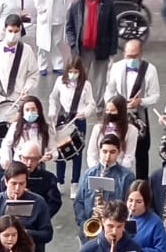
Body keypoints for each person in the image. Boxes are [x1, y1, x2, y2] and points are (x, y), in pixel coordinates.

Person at [69, 135, 133, 252]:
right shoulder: (88, 174)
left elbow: (129, 206)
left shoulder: (126, 177)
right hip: (90, 231)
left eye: (112, 152)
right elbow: (79, 202)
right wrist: (84, 224)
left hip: (114, 232)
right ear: (99, 151)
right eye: (104, 152)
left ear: (119, 152)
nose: (107, 156)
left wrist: (109, 210)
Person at [106, 39, 159, 179]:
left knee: (142, 152)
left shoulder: (150, 70)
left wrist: (141, 101)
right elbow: (109, 91)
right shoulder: (116, 67)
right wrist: (112, 105)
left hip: (139, 115)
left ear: (141, 54)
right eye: (129, 56)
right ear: (124, 54)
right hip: (119, 115)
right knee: (117, 148)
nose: (132, 59)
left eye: (135, 56)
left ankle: (142, 183)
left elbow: (155, 96)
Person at [0, 14, 39, 134]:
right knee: (0, 137)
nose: (13, 34)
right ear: (4, 29)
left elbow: (33, 74)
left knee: (19, 135)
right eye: (10, 31)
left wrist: (27, 87)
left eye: (16, 31)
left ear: (20, 30)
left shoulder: (27, 51)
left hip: (17, 100)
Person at [66, 0, 120, 93]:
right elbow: (69, 27)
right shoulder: (77, 4)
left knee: (100, 80)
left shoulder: (107, 3)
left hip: (102, 47)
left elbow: (113, 27)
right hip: (82, 49)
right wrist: (73, 45)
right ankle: (80, 100)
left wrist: (112, 50)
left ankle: (98, 103)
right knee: (81, 77)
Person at [49, 56, 97, 191]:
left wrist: (85, 113)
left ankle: (74, 183)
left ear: (80, 72)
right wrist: (52, 111)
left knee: (77, 152)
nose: (73, 74)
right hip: (63, 118)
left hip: (79, 120)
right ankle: (59, 181)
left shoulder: (86, 85)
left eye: (76, 72)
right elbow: (53, 97)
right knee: (60, 150)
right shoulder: (60, 81)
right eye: (70, 71)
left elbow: (91, 103)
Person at [32, 0, 70, 76]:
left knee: (57, 42)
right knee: (43, 43)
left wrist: (68, 10)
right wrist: (42, 10)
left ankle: (57, 64)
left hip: (60, 16)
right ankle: (42, 65)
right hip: (47, 17)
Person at [85, 92, 138, 173]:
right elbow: (91, 153)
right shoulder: (98, 128)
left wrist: (118, 172)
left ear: (121, 112)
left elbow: (129, 156)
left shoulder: (131, 130)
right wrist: (96, 170)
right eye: (107, 110)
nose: (109, 113)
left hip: (120, 171)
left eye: (113, 111)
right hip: (99, 169)